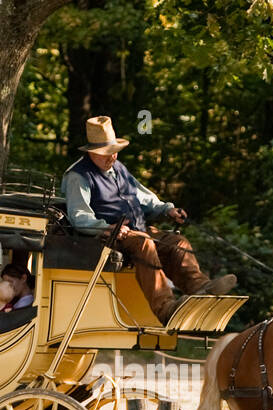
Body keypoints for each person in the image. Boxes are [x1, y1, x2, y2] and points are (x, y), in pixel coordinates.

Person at [61, 115, 237, 324]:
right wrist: (106, 228)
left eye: (114, 151)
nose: (112, 158)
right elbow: (79, 217)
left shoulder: (118, 169)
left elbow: (144, 197)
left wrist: (167, 210)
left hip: (139, 229)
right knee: (145, 244)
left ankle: (201, 289)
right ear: (91, 152)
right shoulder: (78, 176)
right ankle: (165, 308)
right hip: (107, 237)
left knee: (178, 243)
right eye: (106, 154)